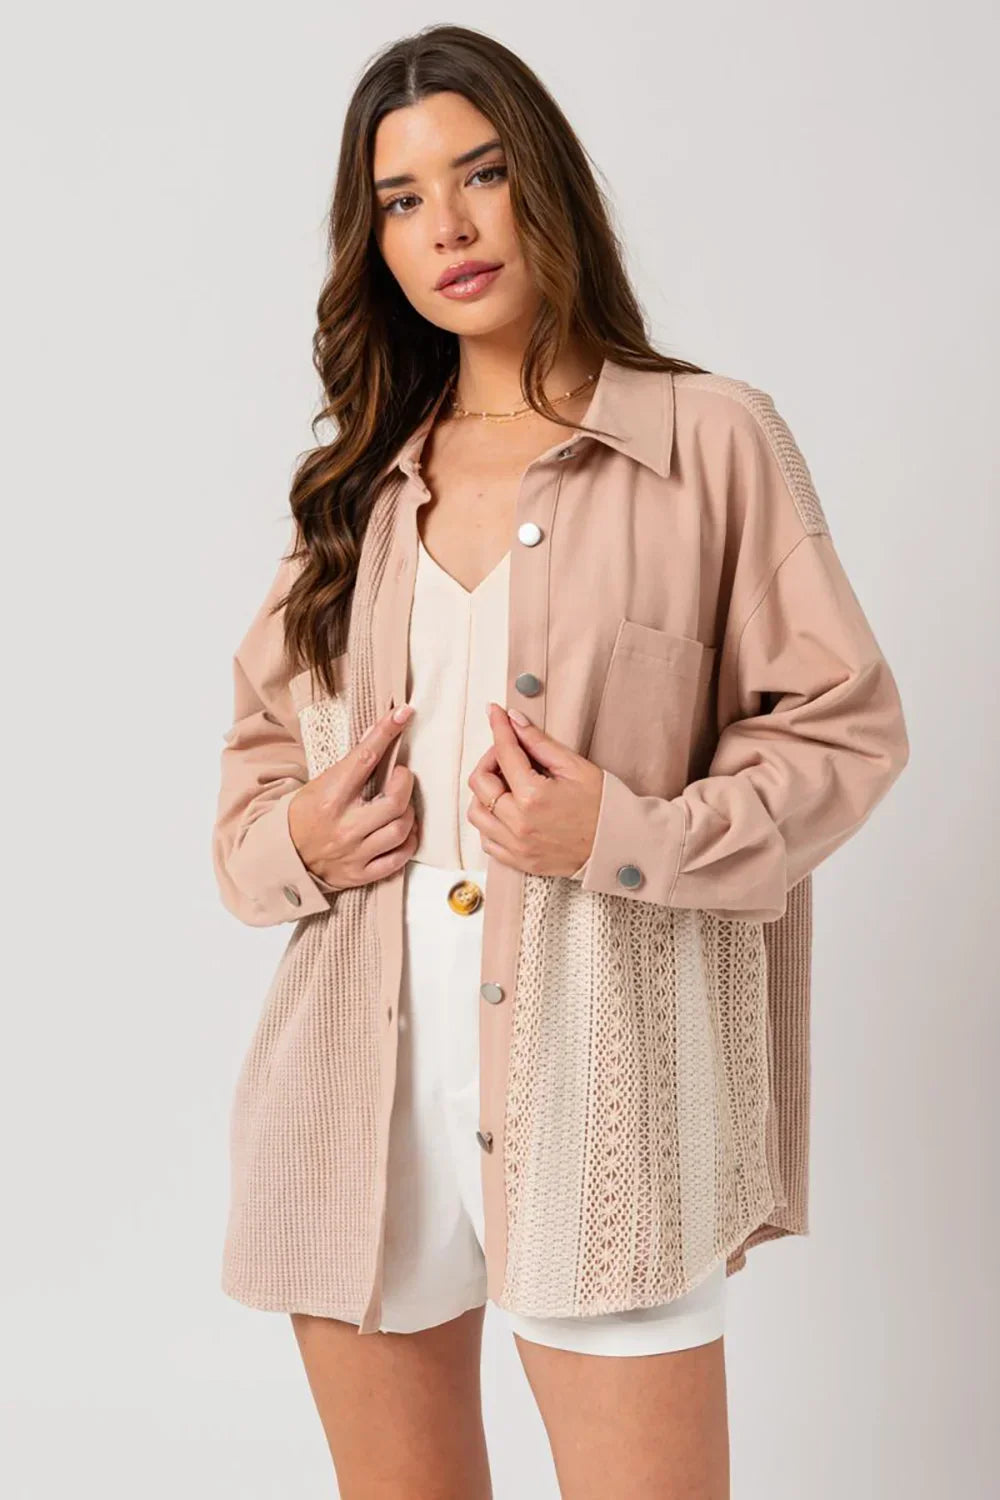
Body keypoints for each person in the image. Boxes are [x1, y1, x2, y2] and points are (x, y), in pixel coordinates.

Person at [211, 23, 909, 1499]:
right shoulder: (358, 485)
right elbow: (252, 793)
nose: (449, 228)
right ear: (374, 242)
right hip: (357, 1107)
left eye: (482, 175)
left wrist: (621, 833)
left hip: (609, 1104)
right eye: (402, 200)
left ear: (549, 184)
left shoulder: (709, 439)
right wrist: (302, 844)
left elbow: (843, 730)